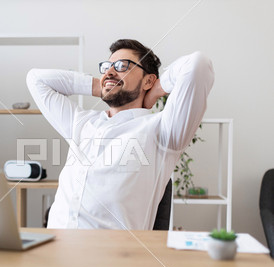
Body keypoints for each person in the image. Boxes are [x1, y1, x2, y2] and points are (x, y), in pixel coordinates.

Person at [26, 39, 214, 230]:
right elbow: (36, 79)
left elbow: (198, 65)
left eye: (122, 66)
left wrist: (156, 90)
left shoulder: (162, 130)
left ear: (148, 80)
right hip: (54, 248)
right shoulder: (81, 122)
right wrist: (101, 86)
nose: (109, 71)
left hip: (112, 254)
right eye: (106, 67)